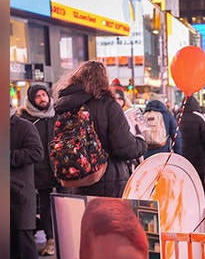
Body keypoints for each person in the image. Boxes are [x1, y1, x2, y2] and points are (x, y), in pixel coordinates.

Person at [53, 61, 147, 198]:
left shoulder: (66, 105)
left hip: (77, 179)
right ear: (103, 80)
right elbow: (124, 148)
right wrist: (140, 141)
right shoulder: (108, 105)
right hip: (108, 180)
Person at [18, 82, 58, 256]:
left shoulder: (57, 114)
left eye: (44, 95)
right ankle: (51, 239)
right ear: (32, 99)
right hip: (40, 170)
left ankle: (66, 238)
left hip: (61, 167)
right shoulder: (26, 119)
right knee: (46, 205)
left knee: (65, 201)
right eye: (38, 96)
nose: (42, 99)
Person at [10, 112, 44, 259]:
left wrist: (8, 156)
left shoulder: (24, 126)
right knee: (10, 240)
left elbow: (36, 152)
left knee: (24, 240)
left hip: (20, 192)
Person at [177, 95, 205, 189]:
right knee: (199, 185)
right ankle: (201, 203)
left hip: (183, 159)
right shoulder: (199, 119)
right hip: (199, 160)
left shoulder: (178, 119)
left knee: (185, 185)